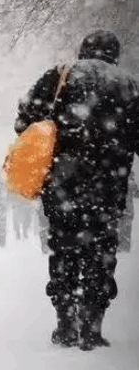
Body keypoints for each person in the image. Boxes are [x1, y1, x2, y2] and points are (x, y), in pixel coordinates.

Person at [14, 30, 139, 351]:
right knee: (101, 255)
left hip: (63, 189)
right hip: (108, 192)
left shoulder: (59, 76)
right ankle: (93, 326)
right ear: (115, 53)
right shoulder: (129, 85)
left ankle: (66, 324)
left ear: (84, 50)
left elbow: (25, 122)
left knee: (64, 253)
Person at [117, 171, 139, 252]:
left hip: (122, 210)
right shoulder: (131, 183)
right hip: (127, 211)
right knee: (126, 229)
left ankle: (121, 247)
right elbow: (137, 194)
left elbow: (137, 194)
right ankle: (125, 247)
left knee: (120, 229)